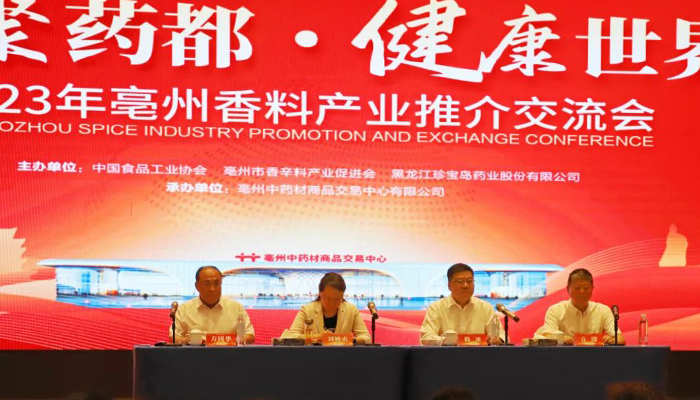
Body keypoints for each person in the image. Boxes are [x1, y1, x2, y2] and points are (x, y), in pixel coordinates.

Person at [420, 263, 504, 345]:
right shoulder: (436, 308)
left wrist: (496, 339)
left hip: (478, 353)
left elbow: (500, 335)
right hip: (447, 353)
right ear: (449, 285)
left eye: (469, 281)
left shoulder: (486, 307)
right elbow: (427, 337)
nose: (465, 285)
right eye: (460, 281)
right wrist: (448, 341)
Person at [536, 268, 625, 345]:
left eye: (586, 288)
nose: (582, 292)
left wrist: (612, 340)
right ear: (568, 289)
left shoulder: (603, 310)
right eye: (577, 288)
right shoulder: (555, 310)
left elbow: (620, 339)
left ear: (592, 289)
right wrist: (559, 338)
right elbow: (546, 335)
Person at [171, 266, 255, 344]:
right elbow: (174, 337)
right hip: (196, 353)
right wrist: (191, 341)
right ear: (197, 286)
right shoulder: (185, 309)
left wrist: (227, 341)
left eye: (217, 283)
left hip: (228, 354)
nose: (212, 289)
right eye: (207, 283)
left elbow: (249, 336)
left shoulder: (236, 308)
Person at [287, 272, 371, 344]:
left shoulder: (351, 310)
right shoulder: (307, 310)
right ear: (320, 293)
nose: (332, 303)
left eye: (337, 299)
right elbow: (291, 336)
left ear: (342, 296)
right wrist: (318, 337)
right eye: (328, 299)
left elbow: (366, 337)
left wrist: (349, 340)